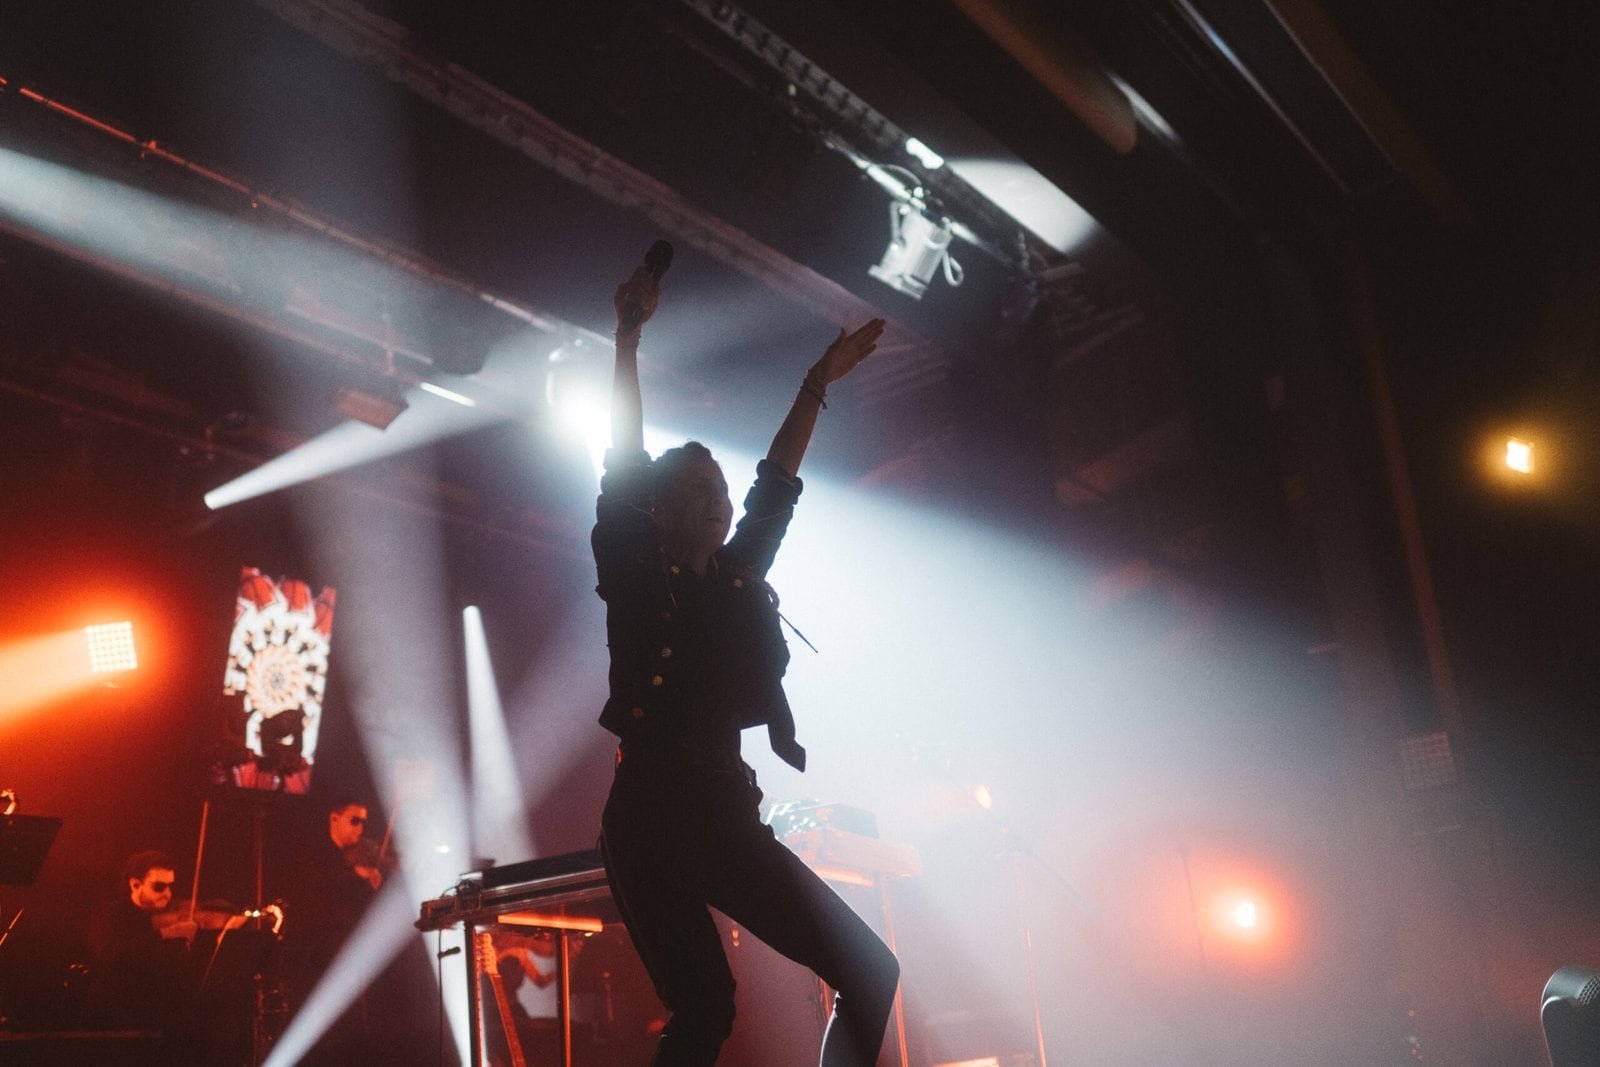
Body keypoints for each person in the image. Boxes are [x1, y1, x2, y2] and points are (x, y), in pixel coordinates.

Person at [593, 260, 900, 1065]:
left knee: (870, 971)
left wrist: (814, 382)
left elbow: (776, 483)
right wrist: (626, 339)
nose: (719, 500)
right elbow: (623, 456)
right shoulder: (633, 571)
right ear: (657, 510)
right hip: (652, 813)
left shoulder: (735, 580)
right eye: (698, 487)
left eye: (719, 489)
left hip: (723, 811)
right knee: (705, 1007)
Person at [83, 850, 201, 1043]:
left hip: (157, 1021)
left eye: (170, 886)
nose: (167, 894)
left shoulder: (162, 917)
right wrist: (166, 934)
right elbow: (111, 956)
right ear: (135, 884)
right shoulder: (111, 915)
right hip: (116, 1018)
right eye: (159, 887)